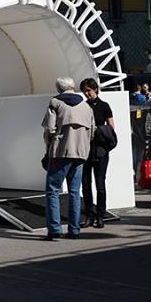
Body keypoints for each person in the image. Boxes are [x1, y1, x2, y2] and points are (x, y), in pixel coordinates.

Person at [42, 77, 95, 241]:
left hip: (60, 152)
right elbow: (92, 132)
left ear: (59, 89)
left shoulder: (55, 103)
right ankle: (74, 230)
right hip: (80, 153)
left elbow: (49, 129)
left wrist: (48, 146)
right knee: (74, 192)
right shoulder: (86, 106)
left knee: (53, 190)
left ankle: (54, 229)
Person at [80, 78, 115, 229]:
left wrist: (99, 133)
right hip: (85, 150)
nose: (86, 94)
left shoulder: (104, 106)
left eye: (88, 90)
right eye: (84, 91)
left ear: (95, 89)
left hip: (100, 150)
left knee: (100, 184)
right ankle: (89, 215)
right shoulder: (82, 106)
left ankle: (100, 215)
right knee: (86, 185)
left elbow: (112, 128)